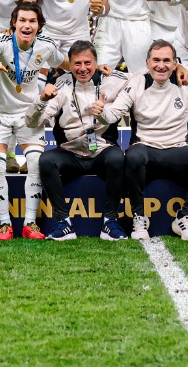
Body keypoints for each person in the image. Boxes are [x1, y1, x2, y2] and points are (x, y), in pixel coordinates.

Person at [97, 40, 188, 241]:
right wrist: (100, 111)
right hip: (146, 148)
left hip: (177, 148)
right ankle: (139, 218)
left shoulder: (187, 84)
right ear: (147, 63)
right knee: (132, 154)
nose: (161, 65)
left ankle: (184, 218)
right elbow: (113, 115)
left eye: (167, 60)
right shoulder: (136, 82)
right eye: (156, 60)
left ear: (175, 63)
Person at [28, 41, 129, 241]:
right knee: (46, 160)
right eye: (77, 64)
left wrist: (177, 67)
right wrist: (41, 100)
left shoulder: (112, 79)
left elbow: (143, 77)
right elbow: (32, 122)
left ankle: (110, 222)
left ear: (97, 62)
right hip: (71, 153)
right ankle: (63, 223)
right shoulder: (60, 85)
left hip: (101, 150)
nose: (82, 69)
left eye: (88, 63)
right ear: (70, 64)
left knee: (118, 157)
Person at [0, 2, 65, 239]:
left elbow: (65, 62)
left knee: (36, 163)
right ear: (14, 23)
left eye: (32, 21)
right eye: (22, 21)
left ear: (39, 26)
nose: (27, 25)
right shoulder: (0, 42)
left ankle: (30, 224)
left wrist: (96, 66)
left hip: (29, 115)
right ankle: (5, 225)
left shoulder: (46, 46)